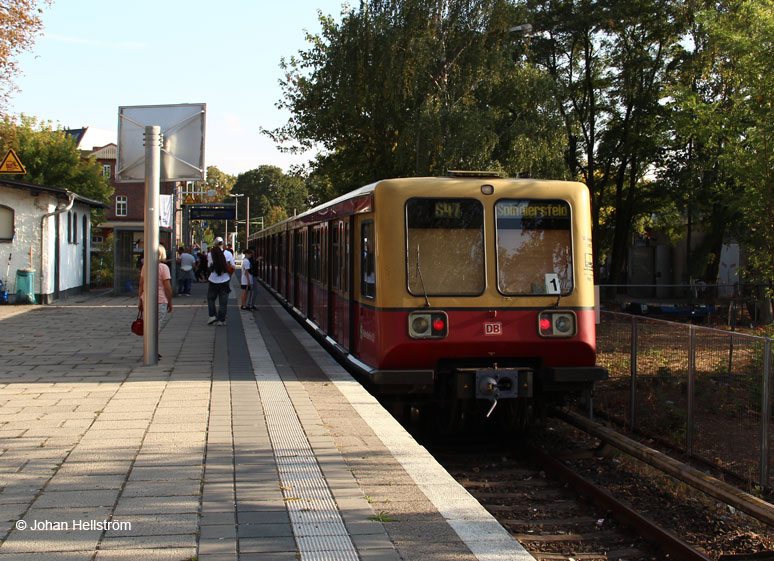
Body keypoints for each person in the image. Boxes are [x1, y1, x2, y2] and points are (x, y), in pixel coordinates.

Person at [138, 245, 173, 334]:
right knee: (156, 328)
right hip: (160, 300)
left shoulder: (145, 266)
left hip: (146, 300)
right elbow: (167, 287)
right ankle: (152, 347)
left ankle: (149, 346)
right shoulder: (163, 268)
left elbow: (141, 285)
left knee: (149, 327)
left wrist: (140, 301)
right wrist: (170, 301)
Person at [207, 237, 235, 326]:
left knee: (211, 298)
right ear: (222, 244)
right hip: (225, 279)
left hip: (213, 279)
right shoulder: (228, 254)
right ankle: (221, 320)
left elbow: (209, 266)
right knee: (223, 301)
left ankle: (212, 315)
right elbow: (233, 266)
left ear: (215, 244)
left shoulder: (210, 254)